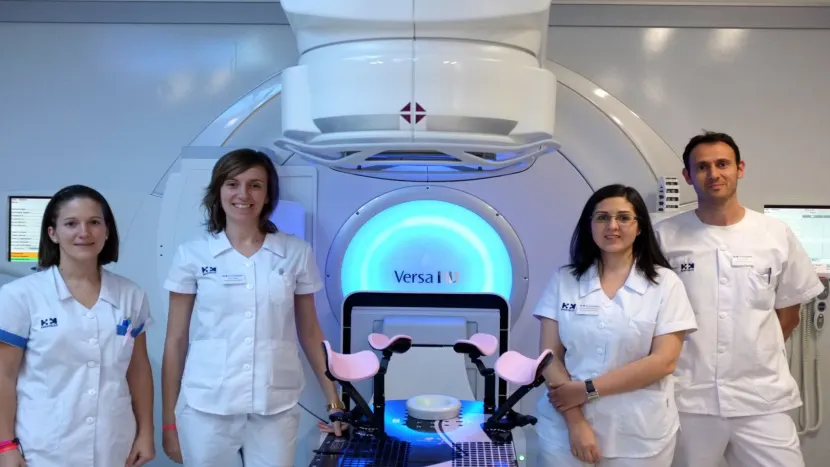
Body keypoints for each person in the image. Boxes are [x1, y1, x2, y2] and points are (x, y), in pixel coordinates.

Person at [160, 148, 345, 467]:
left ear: (268, 194)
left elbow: (310, 331)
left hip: (274, 405)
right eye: (232, 184)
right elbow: (175, 340)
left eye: (255, 185)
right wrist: (168, 421)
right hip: (207, 406)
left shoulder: (295, 252)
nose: (243, 194)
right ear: (218, 191)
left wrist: (334, 401)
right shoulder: (193, 255)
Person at [654, 131, 825, 467]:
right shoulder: (664, 236)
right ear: (688, 175)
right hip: (689, 398)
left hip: (761, 398)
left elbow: (789, 314)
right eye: (702, 167)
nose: (713, 174)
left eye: (722, 164)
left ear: (740, 168)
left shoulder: (774, 234)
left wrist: (752, 353)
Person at [533, 183, 698, 467]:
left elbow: (664, 361)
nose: (612, 226)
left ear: (640, 226)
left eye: (623, 217)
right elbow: (548, 357)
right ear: (590, 225)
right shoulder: (564, 280)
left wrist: (586, 389)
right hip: (565, 430)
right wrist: (575, 422)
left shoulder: (665, 284)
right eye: (602, 217)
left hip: (639, 433)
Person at [0, 185, 155, 467]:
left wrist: (146, 433)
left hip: (113, 444)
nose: (84, 232)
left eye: (94, 222)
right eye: (71, 223)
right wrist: (5, 445)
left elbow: (139, 370)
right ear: (53, 233)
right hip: (43, 448)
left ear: (107, 231)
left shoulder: (131, 295)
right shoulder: (20, 296)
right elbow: (4, 376)